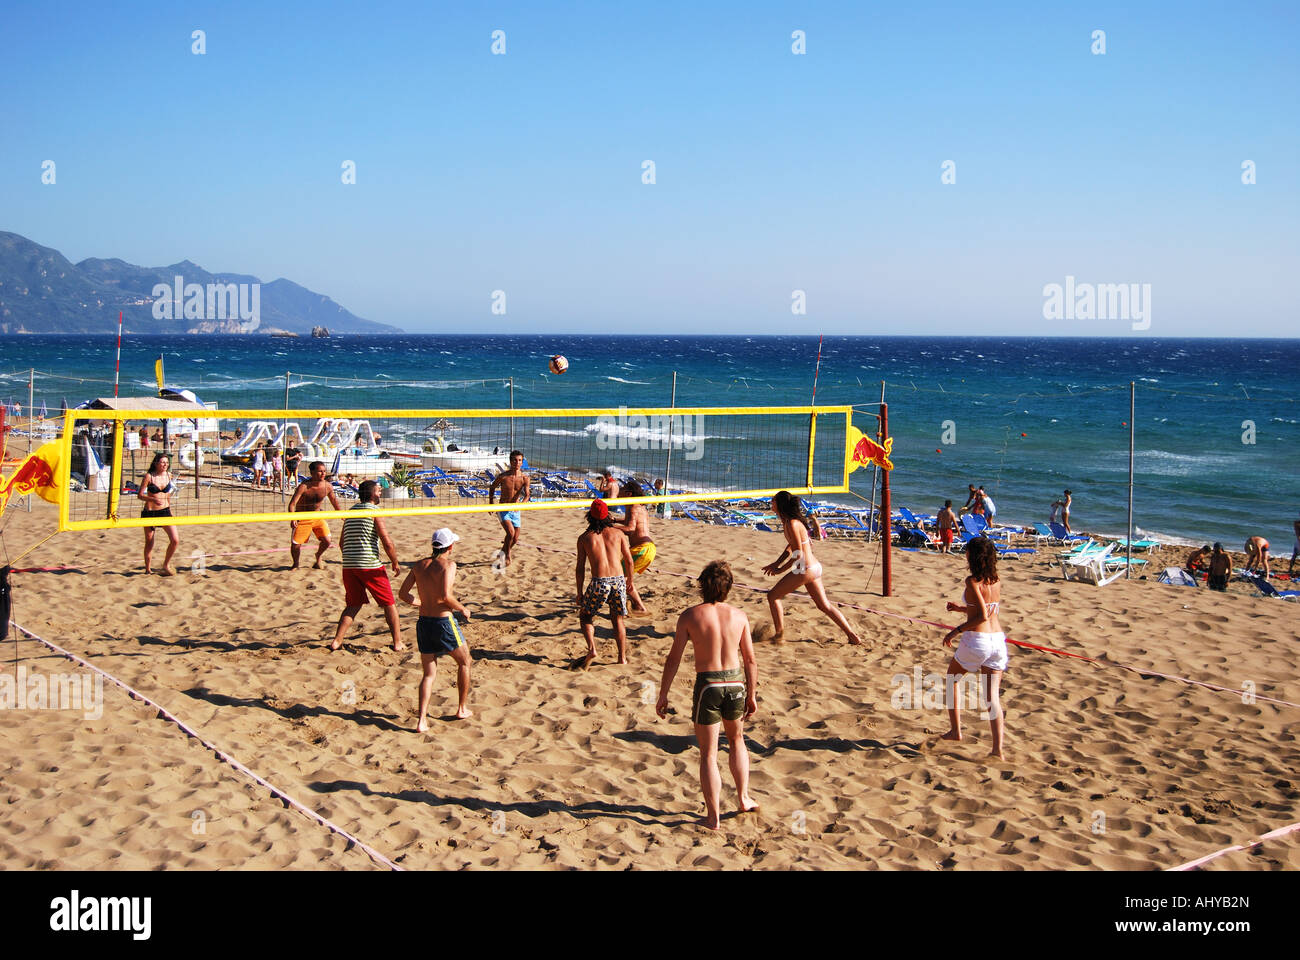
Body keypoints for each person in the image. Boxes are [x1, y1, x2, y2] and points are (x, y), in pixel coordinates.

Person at [656, 560, 759, 830]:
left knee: (708, 754)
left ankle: (713, 816)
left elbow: (673, 659)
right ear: (728, 588)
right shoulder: (739, 616)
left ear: (702, 586)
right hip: (736, 682)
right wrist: (752, 693)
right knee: (737, 741)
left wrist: (663, 693)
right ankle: (743, 797)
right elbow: (750, 660)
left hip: (708, 684)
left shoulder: (690, 616)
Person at [762, 490, 861, 644]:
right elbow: (791, 546)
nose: (771, 502)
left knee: (772, 596)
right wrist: (776, 563)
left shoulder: (792, 523)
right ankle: (852, 635)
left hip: (805, 568)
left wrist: (780, 570)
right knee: (824, 605)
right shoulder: (790, 521)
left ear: (779, 504)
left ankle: (779, 636)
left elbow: (798, 553)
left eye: (773, 500)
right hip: (812, 567)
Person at [940, 537, 1007, 759]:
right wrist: (961, 608)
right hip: (998, 640)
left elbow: (981, 616)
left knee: (952, 680)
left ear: (974, 556)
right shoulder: (995, 580)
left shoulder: (972, 581)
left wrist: (955, 630)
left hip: (978, 640)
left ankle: (955, 731)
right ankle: (997, 750)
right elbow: (988, 610)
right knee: (992, 697)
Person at [398, 528, 473, 727]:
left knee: (429, 674)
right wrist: (462, 608)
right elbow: (445, 596)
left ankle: (422, 720)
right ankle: (461, 709)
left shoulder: (419, 565)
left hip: (424, 622)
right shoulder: (449, 565)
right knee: (465, 662)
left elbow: (403, 594)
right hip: (443, 622)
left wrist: (421, 603)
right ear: (450, 546)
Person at [330, 480, 403, 652]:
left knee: (353, 605)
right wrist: (395, 561)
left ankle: (337, 640)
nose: (380, 493)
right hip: (369, 565)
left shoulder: (352, 511)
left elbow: (341, 542)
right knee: (389, 604)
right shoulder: (375, 511)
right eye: (378, 490)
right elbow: (387, 542)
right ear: (372, 494)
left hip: (348, 565)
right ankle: (397, 642)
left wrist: (352, 557)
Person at [575, 499, 635, 668]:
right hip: (618, 580)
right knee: (618, 620)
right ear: (607, 515)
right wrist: (629, 580)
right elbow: (629, 561)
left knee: (586, 615)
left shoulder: (585, 538)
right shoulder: (618, 534)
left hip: (600, 582)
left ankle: (592, 649)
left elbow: (580, 569)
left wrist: (579, 592)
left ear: (590, 516)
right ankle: (622, 657)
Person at [287, 460, 341, 569]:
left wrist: (341, 513)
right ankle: (295, 564)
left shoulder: (327, 486)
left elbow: (334, 501)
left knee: (327, 541)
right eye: (320, 471)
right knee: (296, 545)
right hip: (302, 517)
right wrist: (292, 518)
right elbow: (292, 504)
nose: (323, 474)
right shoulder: (304, 486)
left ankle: (318, 556)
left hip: (317, 516)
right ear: (312, 473)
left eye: (324, 471)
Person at [613, 479, 654, 614]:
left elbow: (630, 529)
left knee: (620, 576)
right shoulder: (640, 507)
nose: (620, 491)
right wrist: (614, 520)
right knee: (622, 575)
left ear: (629, 494)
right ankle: (636, 604)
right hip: (649, 548)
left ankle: (640, 606)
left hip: (641, 548)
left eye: (623, 489)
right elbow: (630, 522)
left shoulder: (632, 507)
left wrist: (610, 527)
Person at [137, 453, 180, 575]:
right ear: (156, 463)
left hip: (165, 511)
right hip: (150, 512)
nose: (165, 464)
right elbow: (139, 495)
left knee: (175, 540)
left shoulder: (169, 475)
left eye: (167, 462)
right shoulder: (149, 477)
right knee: (150, 541)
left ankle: (166, 565)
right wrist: (152, 499)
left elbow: (167, 495)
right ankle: (148, 569)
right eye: (162, 462)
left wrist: (169, 508)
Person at [488, 450, 528, 565]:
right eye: (515, 460)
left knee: (515, 539)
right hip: (503, 508)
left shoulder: (525, 478)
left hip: (516, 510)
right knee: (510, 533)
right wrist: (491, 503)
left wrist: (521, 504)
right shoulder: (503, 477)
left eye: (520, 460)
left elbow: (527, 495)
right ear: (510, 462)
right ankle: (507, 555)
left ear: (522, 462)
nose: (517, 463)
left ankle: (502, 552)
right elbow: (492, 487)